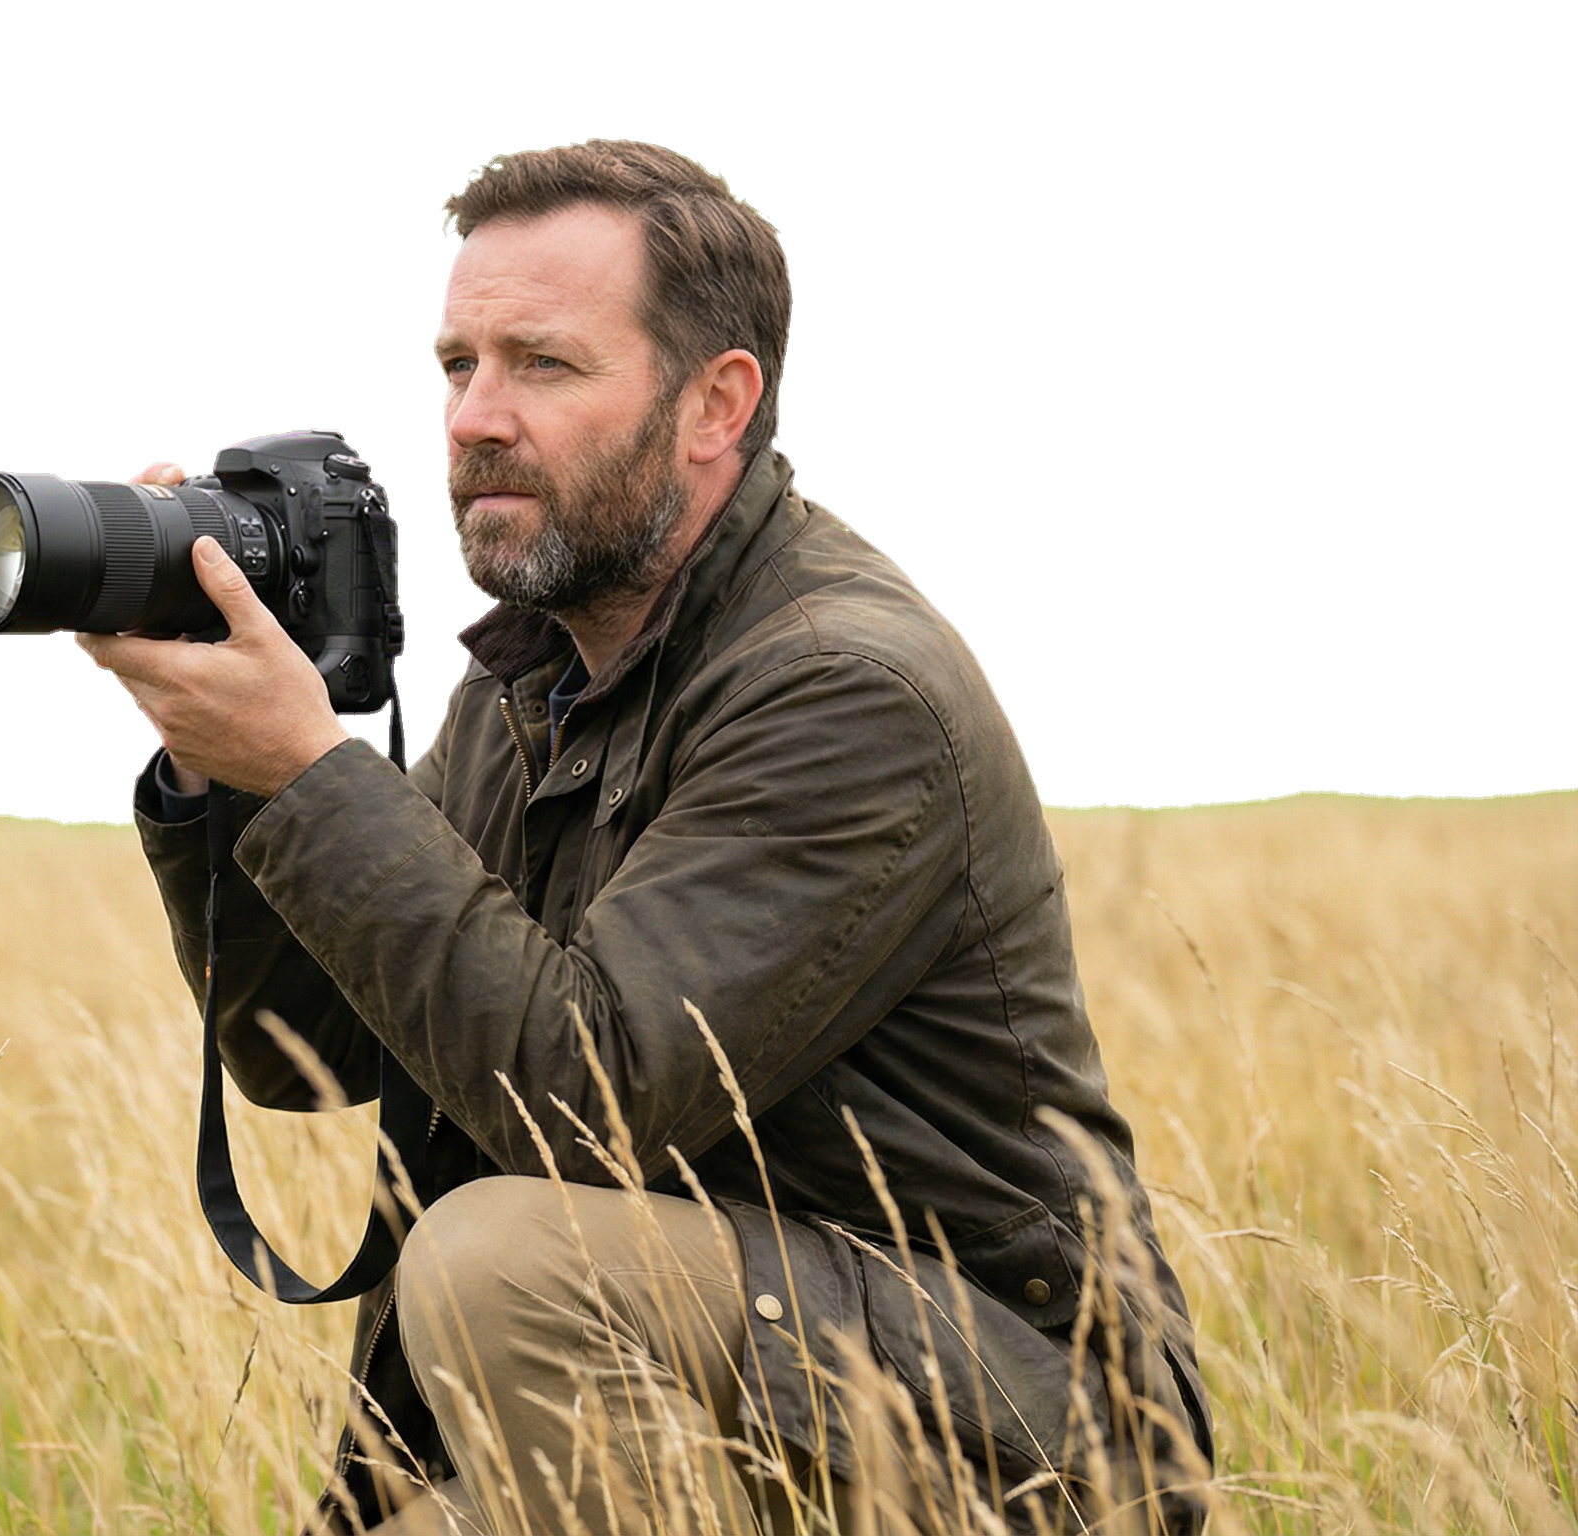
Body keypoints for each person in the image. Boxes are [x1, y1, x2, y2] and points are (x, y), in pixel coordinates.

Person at [77, 138, 1212, 1535]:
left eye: (542, 366)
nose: (476, 418)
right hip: (767, 1393)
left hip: (1022, 1442)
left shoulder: (845, 689)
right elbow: (308, 1055)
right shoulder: (528, 683)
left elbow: (584, 1099)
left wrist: (314, 770)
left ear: (713, 404)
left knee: (498, 1261)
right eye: (457, 367)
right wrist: (227, 778)